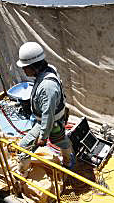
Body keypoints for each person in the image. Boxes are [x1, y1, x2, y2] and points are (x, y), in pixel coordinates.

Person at [16, 41, 74, 171]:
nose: (23, 70)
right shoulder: (49, 69)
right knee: (62, 140)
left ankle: (22, 173)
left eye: (25, 67)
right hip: (55, 120)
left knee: (25, 146)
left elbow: (48, 114)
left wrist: (42, 137)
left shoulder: (47, 87)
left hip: (51, 122)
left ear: (34, 66)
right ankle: (68, 161)